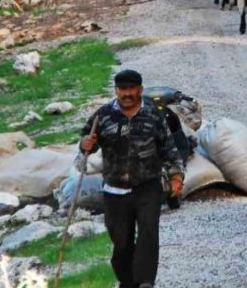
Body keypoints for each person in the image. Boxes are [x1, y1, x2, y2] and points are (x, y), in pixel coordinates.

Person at [77, 69, 185, 288]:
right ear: (116, 90)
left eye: (132, 89)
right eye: (123, 89)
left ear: (140, 89)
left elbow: (168, 148)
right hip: (114, 190)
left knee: (148, 234)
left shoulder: (154, 114)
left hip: (147, 186)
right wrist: (85, 144)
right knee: (121, 244)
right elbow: (87, 140)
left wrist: (176, 176)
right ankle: (128, 283)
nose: (127, 93)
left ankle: (145, 282)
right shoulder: (103, 115)